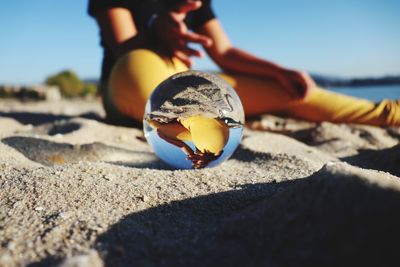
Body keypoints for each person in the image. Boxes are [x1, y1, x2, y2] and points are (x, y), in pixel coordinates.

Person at [88, 0, 400, 129]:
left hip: (186, 80)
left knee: (292, 90)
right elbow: (121, 44)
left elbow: (223, 51)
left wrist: (278, 71)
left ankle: (391, 112)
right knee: (142, 79)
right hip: (129, 79)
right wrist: (157, 27)